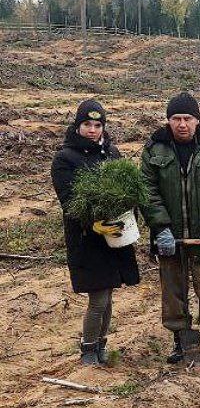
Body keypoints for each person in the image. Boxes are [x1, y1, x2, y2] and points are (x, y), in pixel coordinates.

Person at [140, 92, 200, 365]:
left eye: (187, 118)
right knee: (173, 293)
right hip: (170, 239)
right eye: (176, 118)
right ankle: (180, 342)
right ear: (168, 120)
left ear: (197, 120)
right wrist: (161, 228)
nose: (182, 124)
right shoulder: (154, 148)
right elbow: (147, 191)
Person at [51, 99, 141, 366]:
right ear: (77, 126)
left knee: (109, 293)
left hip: (114, 236)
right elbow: (68, 201)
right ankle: (88, 348)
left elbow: (127, 191)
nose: (92, 130)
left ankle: (102, 345)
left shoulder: (112, 153)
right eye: (87, 124)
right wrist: (93, 224)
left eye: (97, 125)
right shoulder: (65, 159)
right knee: (99, 297)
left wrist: (129, 215)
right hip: (86, 238)